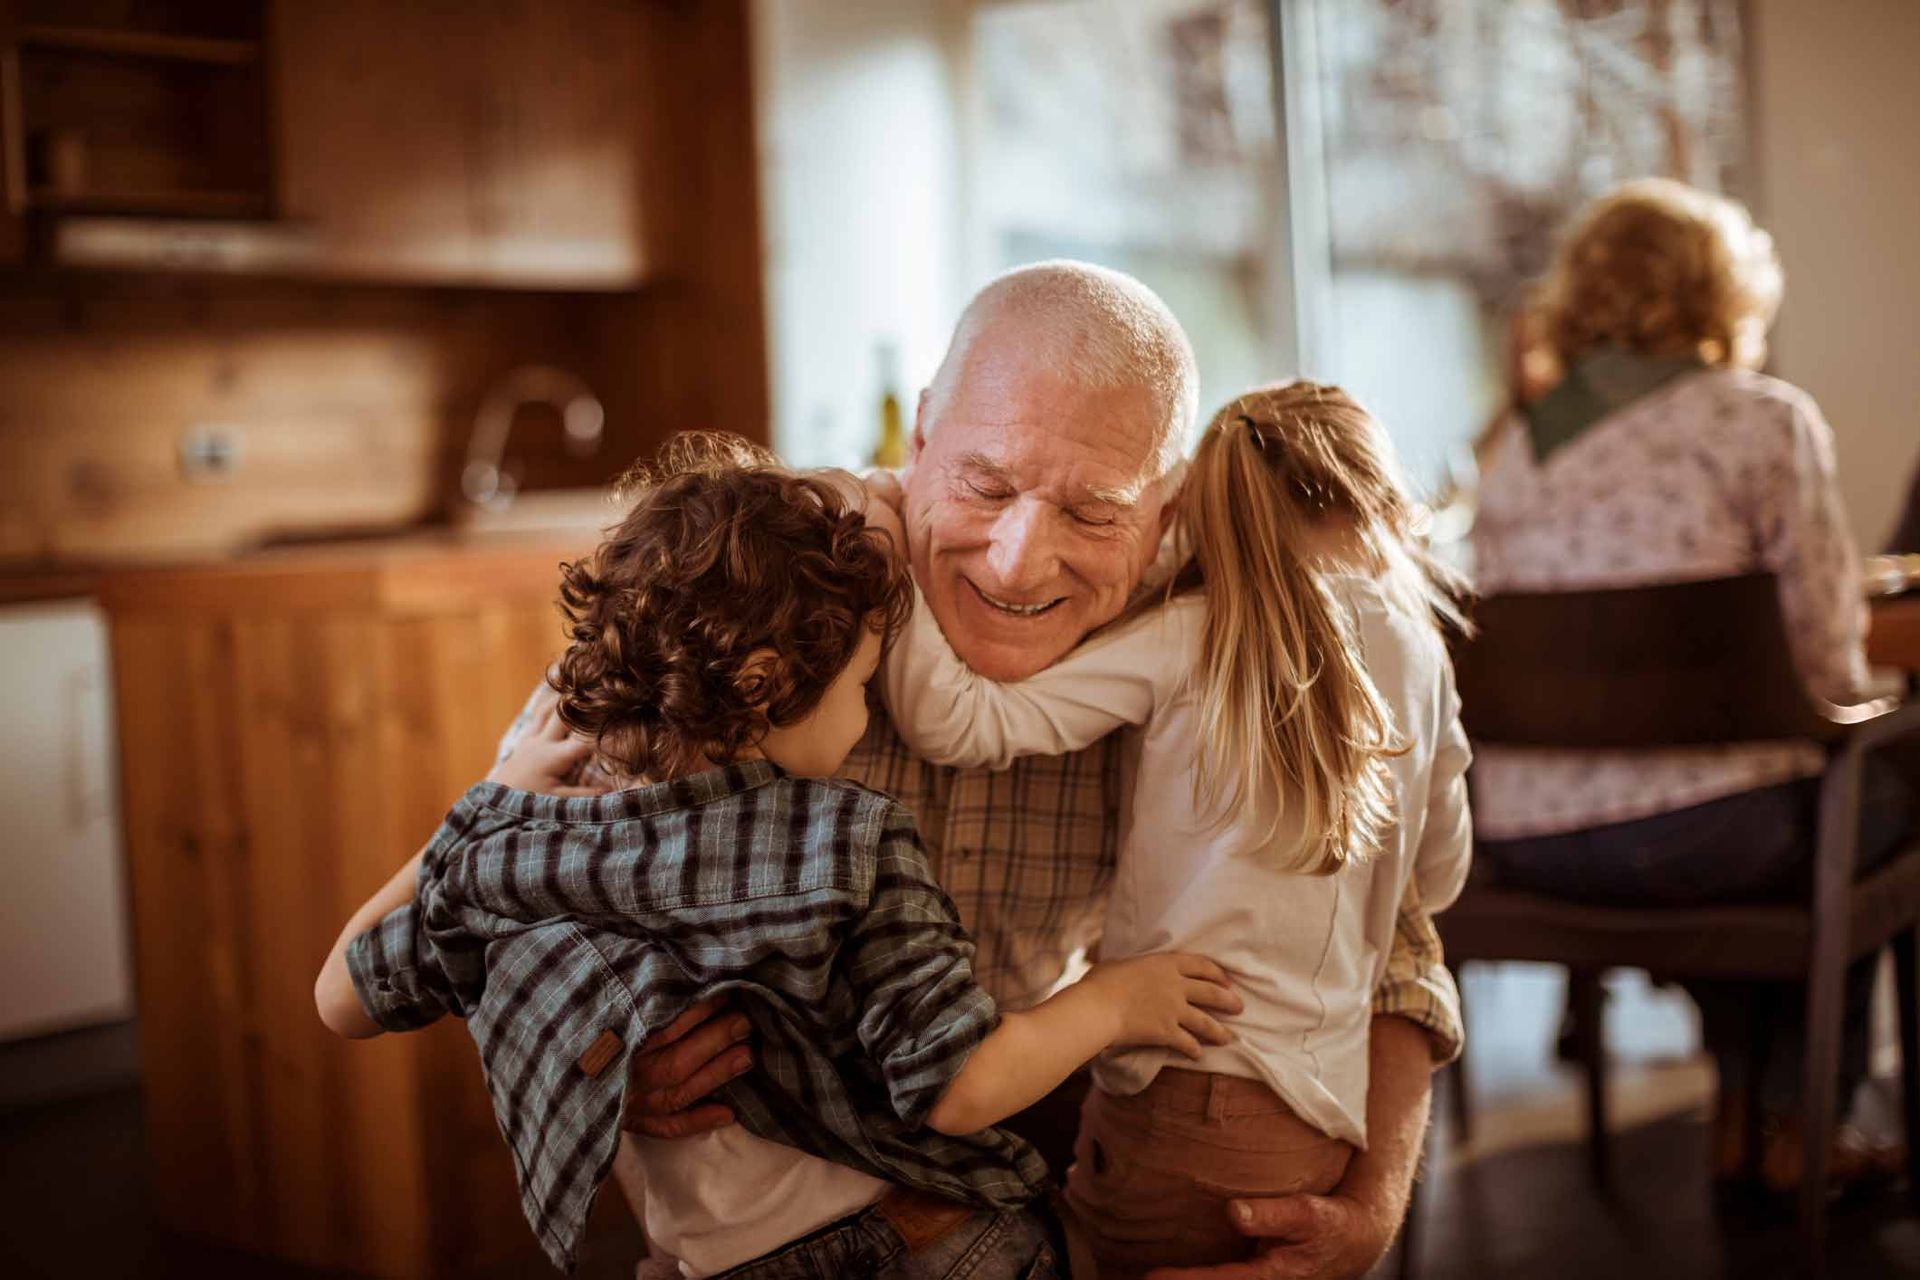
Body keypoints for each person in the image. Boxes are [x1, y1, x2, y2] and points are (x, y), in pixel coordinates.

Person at [493, 261, 1464, 1279]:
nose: (1017, 559)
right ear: (917, 439)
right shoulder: (758, 572)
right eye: (985, 484)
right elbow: (495, 877)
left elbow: (1394, 930)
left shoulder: (1198, 630)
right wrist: (598, 1051)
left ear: (1167, 510)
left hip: (1008, 1185)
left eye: (1093, 513)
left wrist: (1368, 1202)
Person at [313, 436, 1242, 1278]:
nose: (868, 715)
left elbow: (341, 997)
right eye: (862, 687)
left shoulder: (527, 842)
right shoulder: (846, 842)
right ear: (765, 685)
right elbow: (959, 1087)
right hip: (926, 1248)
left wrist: (486, 809)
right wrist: (1119, 999)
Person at [874, 381, 1473, 1276]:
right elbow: (1441, 875)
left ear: (1199, 514)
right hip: (1318, 1115)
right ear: (1384, 499)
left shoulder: (1194, 634)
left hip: (1175, 1090)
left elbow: (955, 722)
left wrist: (888, 533)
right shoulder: (1423, 653)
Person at [1469, 179, 1917, 1199]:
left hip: (1531, 840)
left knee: (1766, 806)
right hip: (1709, 838)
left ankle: (1742, 1116)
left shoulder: (1517, 448)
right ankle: (1805, 1121)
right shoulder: (1763, 419)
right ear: (1724, 295)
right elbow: (1821, 660)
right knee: (1863, 796)